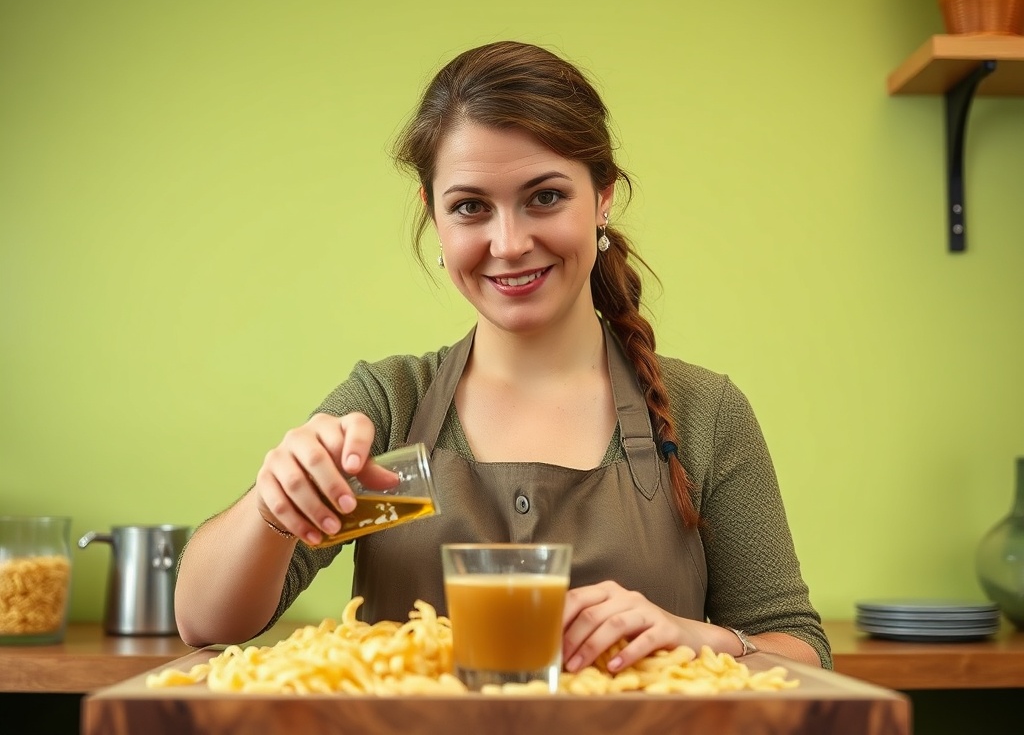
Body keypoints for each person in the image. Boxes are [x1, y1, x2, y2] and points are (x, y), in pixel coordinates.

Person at [174, 40, 832, 673]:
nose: (509, 243)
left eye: (545, 197)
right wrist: (272, 506)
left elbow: (801, 649)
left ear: (603, 197)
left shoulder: (705, 413)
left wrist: (702, 639)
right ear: (434, 214)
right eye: (470, 207)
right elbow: (206, 623)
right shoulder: (389, 410)